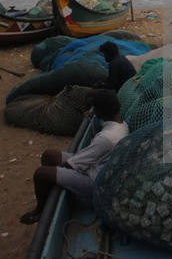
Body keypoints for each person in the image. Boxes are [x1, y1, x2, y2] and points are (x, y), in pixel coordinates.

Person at [20, 90, 128, 225]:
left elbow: (73, 164)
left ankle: (40, 211)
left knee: (41, 173)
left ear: (99, 111)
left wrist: (58, 171)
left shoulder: (106, 138)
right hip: (98, 165)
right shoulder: (122, 125)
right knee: (48, 155)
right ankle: (51, 199)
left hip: (94, 181)